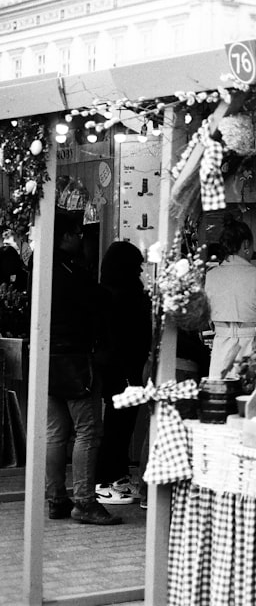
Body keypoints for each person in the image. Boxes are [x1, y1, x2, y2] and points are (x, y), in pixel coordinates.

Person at [46, 213, 121, 525]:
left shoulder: (40, 266)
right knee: (87, 432)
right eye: (77, 234)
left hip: (47, 360)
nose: (81, 239)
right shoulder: (72, 269)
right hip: (77, 361)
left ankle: (55, 499)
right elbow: (100, 302)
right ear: (65, 237)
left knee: (55, 433)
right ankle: (85, 502)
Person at [93, 242, 151, 506]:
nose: (141, 269)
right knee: (119, 426)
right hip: (125, 369)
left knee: (118, 425)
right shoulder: (126, 295)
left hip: (113, 367)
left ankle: (115, 476)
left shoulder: (107, 292)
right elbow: (127, 338)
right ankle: (106, 480)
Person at [204, 216, 256, 378]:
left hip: (220, 347)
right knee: (247, 394)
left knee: (221, 396)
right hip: (251, 349)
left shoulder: (211, 276)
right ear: (246, 244)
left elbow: (208, 317)